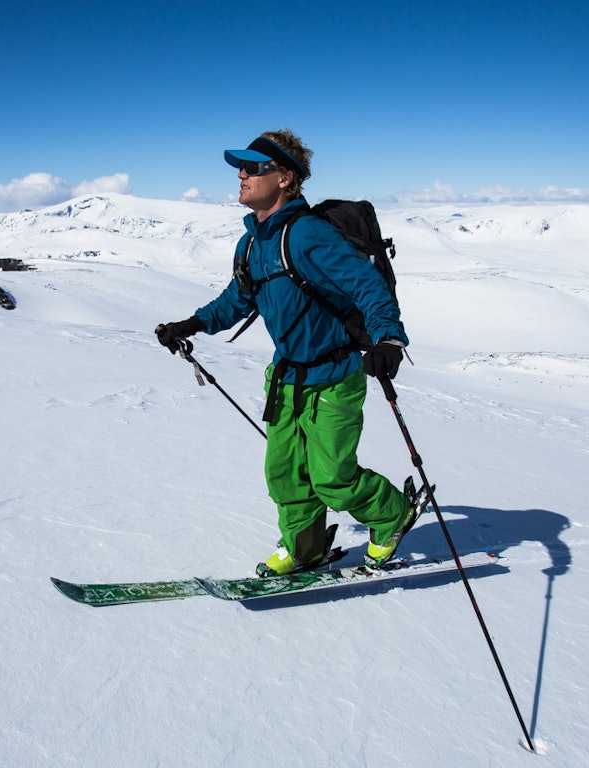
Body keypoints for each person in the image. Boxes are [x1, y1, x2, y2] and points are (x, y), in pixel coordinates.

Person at [154, 129, 423, 576]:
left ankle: (393, 514)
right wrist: (191, 324)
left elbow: (366, 284)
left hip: (334, 378)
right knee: (285, 475)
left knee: (333, 479)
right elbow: (238, 300)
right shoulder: (252, 243)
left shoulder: (307, 235)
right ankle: (305, 548)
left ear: (285, 178)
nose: (241, 174)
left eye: (253, 167)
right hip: (285, 379)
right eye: (240, 167)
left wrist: (388, 339)